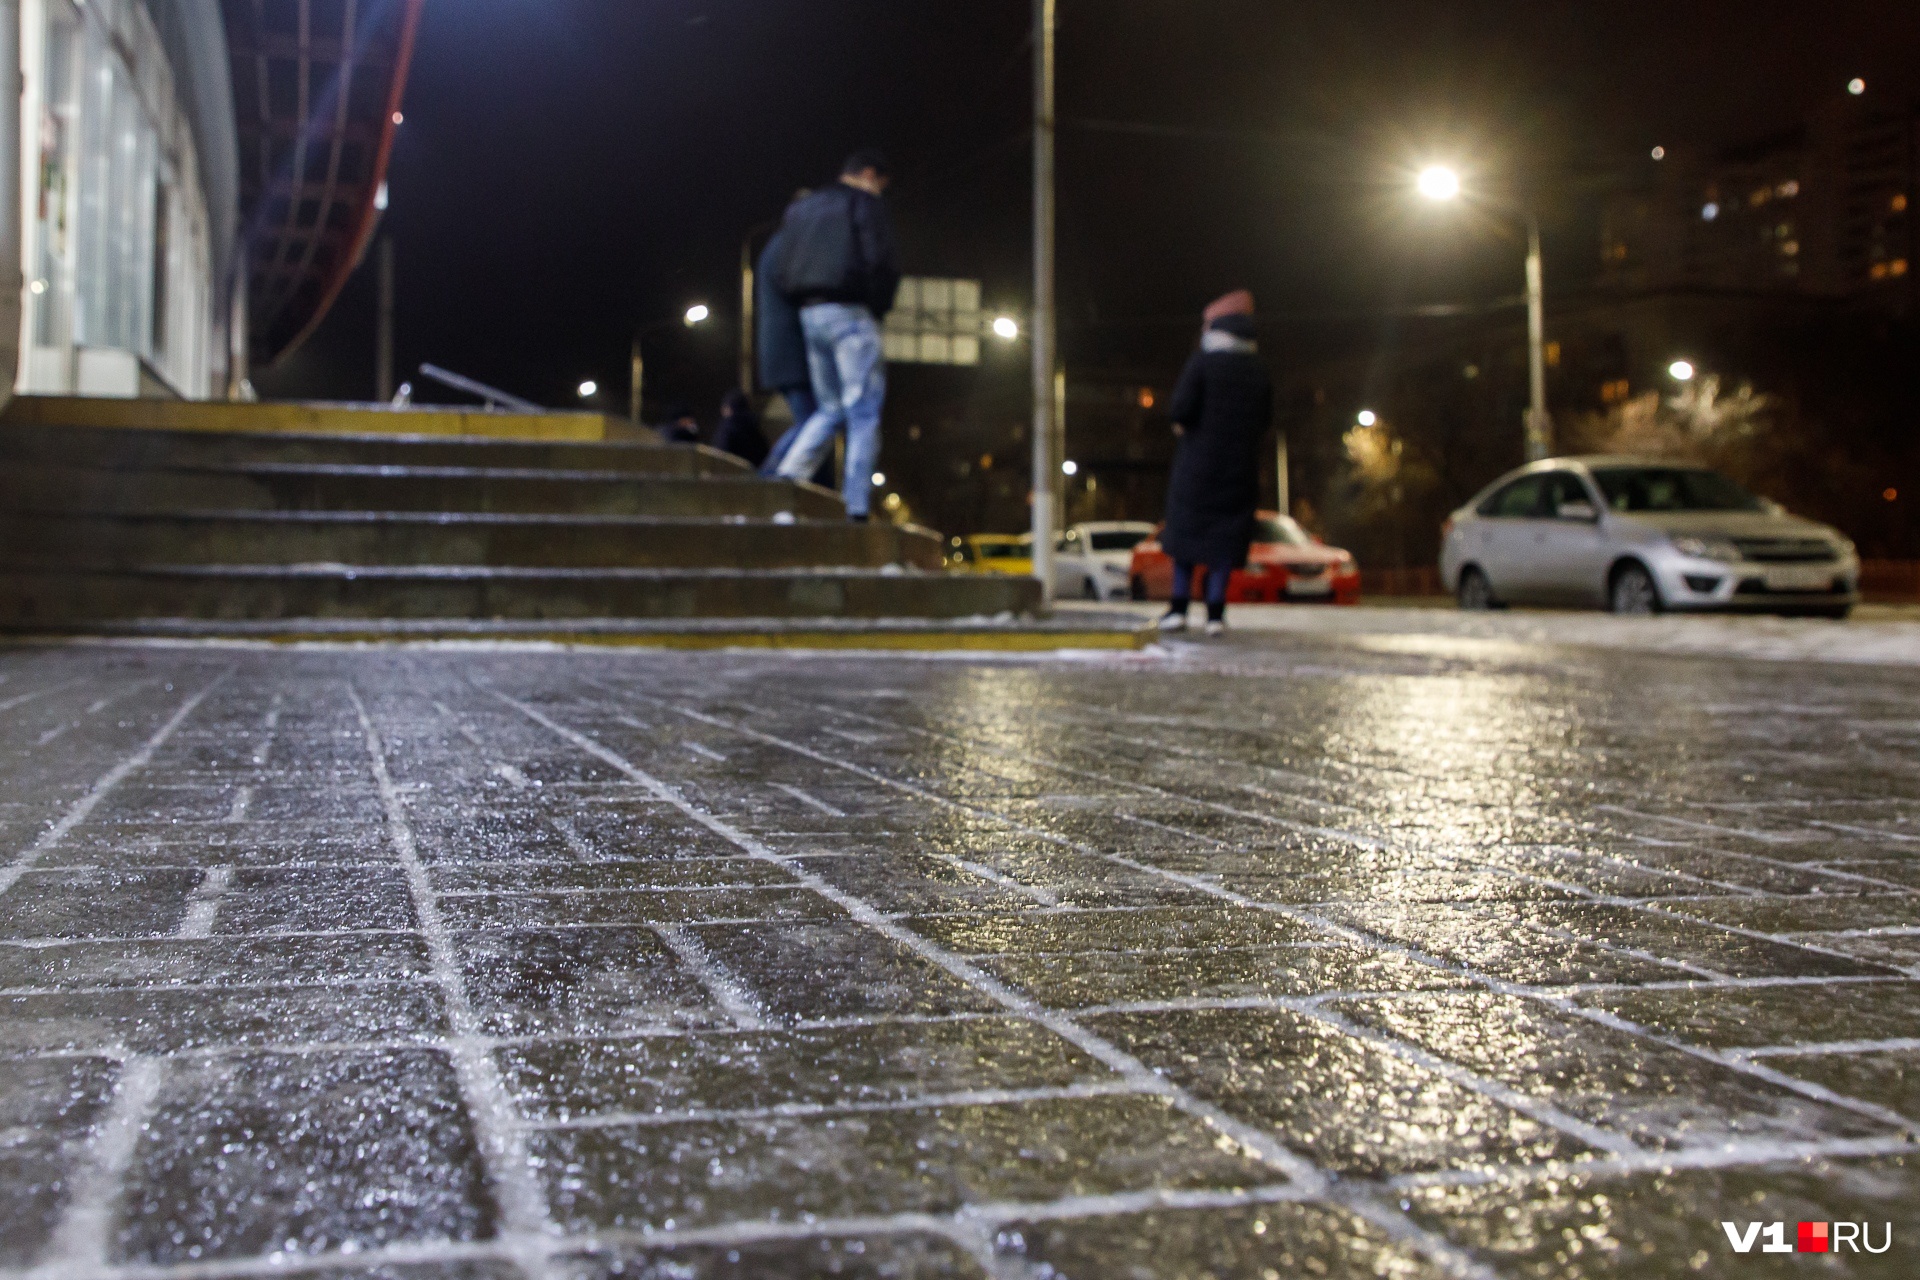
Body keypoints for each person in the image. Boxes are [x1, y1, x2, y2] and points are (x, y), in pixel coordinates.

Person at [772, 150, 902, 522]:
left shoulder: (803, 208)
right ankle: (856, 506)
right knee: (862, 411)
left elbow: (782, 266)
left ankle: (787, 478)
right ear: (869, 174)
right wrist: (877, 307)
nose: (880, 191)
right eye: (880, 183)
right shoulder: (864, 203)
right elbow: (881, 259)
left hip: (809, 313)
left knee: (830, 407)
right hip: (851, 313)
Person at [1159, 289, 1273, 637]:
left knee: (1186, 536)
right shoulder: (1257, 369)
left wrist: (1184, 428)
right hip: (1239, 469)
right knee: (1225, 541)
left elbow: (1180, 408)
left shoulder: (1202, 363)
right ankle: (1215, 615)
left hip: (1197, 467)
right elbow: (1265, 418)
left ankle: (1178, 608)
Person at [754, 191, 836, 487]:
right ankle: (766, 481)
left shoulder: (784, 245)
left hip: (789, 353)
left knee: (817, 422)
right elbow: (810, 292)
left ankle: (806, 490)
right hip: (792, 354)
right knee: (815, 424)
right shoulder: (791, 247)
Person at [712, 389, 768, 468]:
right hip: (755, 475)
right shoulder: (754, 427)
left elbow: (720, 454)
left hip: (732, 475)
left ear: (728, 408)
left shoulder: (727, 427)